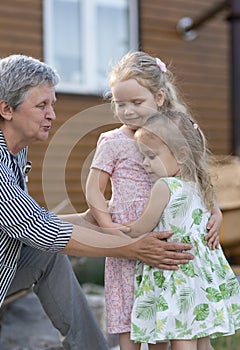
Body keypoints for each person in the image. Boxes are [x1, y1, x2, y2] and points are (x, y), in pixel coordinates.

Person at [0, 54, 201, 350]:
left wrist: (92, 220)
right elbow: (32, 226)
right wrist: (129, 247)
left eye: (52, 104)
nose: (52, 115)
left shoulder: (16, 151)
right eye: (42, 105)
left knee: (48, 253)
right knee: (47, 245)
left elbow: (25, 220)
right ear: (6, 109)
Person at [85, 51, 222, 350]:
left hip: (168, 241)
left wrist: (216, 212)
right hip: (129, 241)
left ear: (159, 97)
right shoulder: (113, 142)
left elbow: (196, 174)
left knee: (166, 320)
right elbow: (94, 190)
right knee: (130, 320)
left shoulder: (174, 133)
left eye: (137, 103)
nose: (128, 111)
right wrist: (110, 230)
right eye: (120, 104)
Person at [128, 110, 240, 350]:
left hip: (175, 274)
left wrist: (114, 228)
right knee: (201, 339)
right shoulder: (201, 186)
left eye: (150, 156)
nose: (144, 163)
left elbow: (141, 227)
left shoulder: (164, 186)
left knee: (180, 337)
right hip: (201, 277)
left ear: (180, 155)